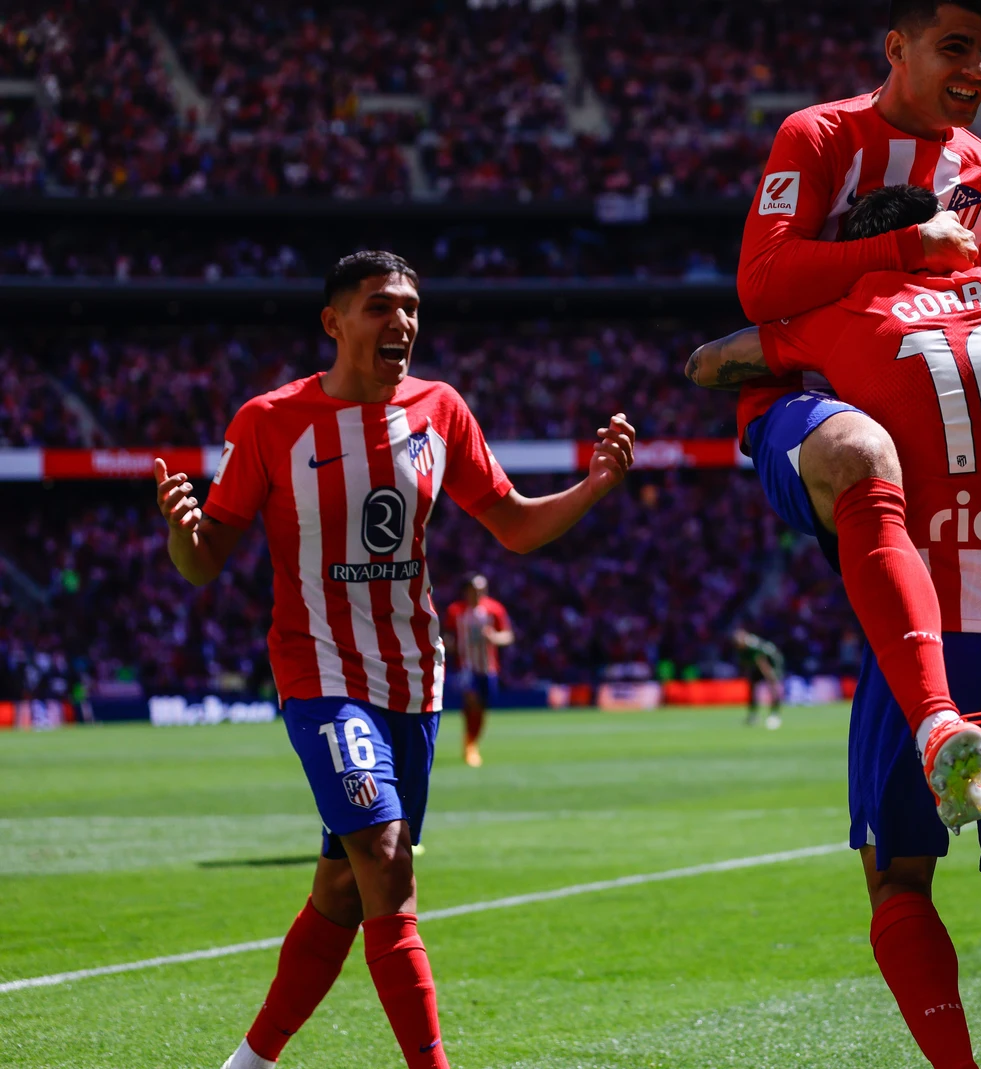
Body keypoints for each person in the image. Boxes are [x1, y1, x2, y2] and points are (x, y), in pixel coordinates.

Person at [692, 183, 981, 1069]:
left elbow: (710, 361)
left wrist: (790, 352)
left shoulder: (853, 302)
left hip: (927, 638)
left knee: (900, 880)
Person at [154, 251, 637, 1069]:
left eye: (411, 306)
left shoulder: (439, 410)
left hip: (415, 678)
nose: (402, 322)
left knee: (343, 887)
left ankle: (248, 1063)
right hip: (320, 673)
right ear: (333, 322)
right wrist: (180, 526)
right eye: (380, 306)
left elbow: (513, 525)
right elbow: (204, 560)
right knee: (385, 859)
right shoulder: (269, 421)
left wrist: (591, 486)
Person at [693, 0, 981, 780]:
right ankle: (933, 714)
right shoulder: (820, 136)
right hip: (813, 403)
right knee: (862, 452)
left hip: (963, 414)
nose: (977, 71)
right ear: (897, 48)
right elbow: (761, 283)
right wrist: (909, 243)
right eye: (956, 48)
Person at [443, 575, 512, 766]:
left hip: (488, 666)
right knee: (471, 701)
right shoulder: (455, 610)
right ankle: (470, 746)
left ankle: (472, 740)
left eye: (482, 589)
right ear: (467, 590)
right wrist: (450, 645)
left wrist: (494, 638)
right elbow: (447, 635)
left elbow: (507, 635)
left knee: (482, 707)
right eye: (475, 589)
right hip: (465, 666)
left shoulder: (494, 609)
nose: (479, 593)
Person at [733, 627, 787, 728]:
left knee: (773, 688)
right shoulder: (741, 648)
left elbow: (763, 662)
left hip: (772, 663)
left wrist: (771, 676)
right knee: (752, 688)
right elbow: (747, 664)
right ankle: (753, 715)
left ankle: (775, 714)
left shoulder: (753, 646)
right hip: (757, 666)